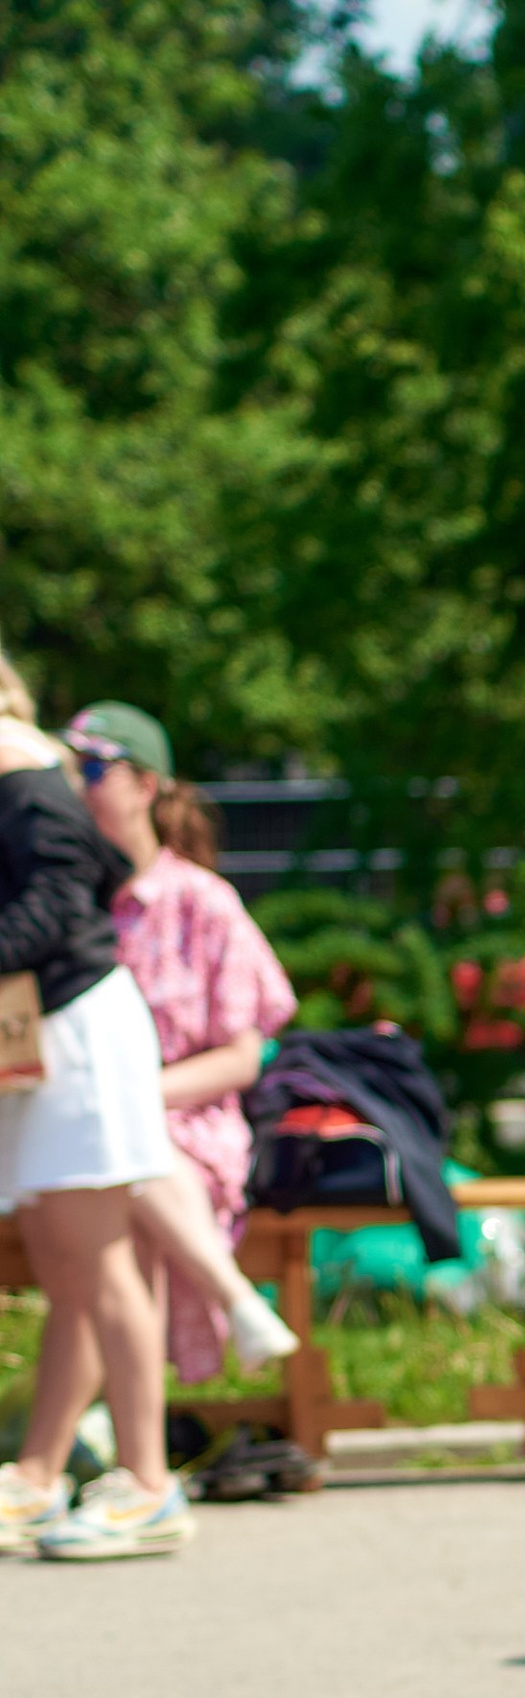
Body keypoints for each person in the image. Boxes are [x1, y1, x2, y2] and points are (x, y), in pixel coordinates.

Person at [0, 662, 189, 1558]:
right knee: (70, 1270)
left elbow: (54, 907)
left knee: (104, 1265)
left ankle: (150, 1483)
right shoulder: (31, 781)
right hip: (47, 1044)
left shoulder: (31, 784)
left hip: (79, 1036)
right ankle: (40, 1475)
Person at [62, 703, 300, 1387]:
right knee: (108, 1165)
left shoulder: (204, 901)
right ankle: (232, 1304)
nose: (78, 787)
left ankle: (128, 1430)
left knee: (124, 1157)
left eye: (95, 768)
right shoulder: (63, 903)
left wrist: (133, 1093)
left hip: (187, 1124)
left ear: (147, 784)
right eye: (69, 771)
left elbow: (243, 1055)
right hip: (81, 1130)